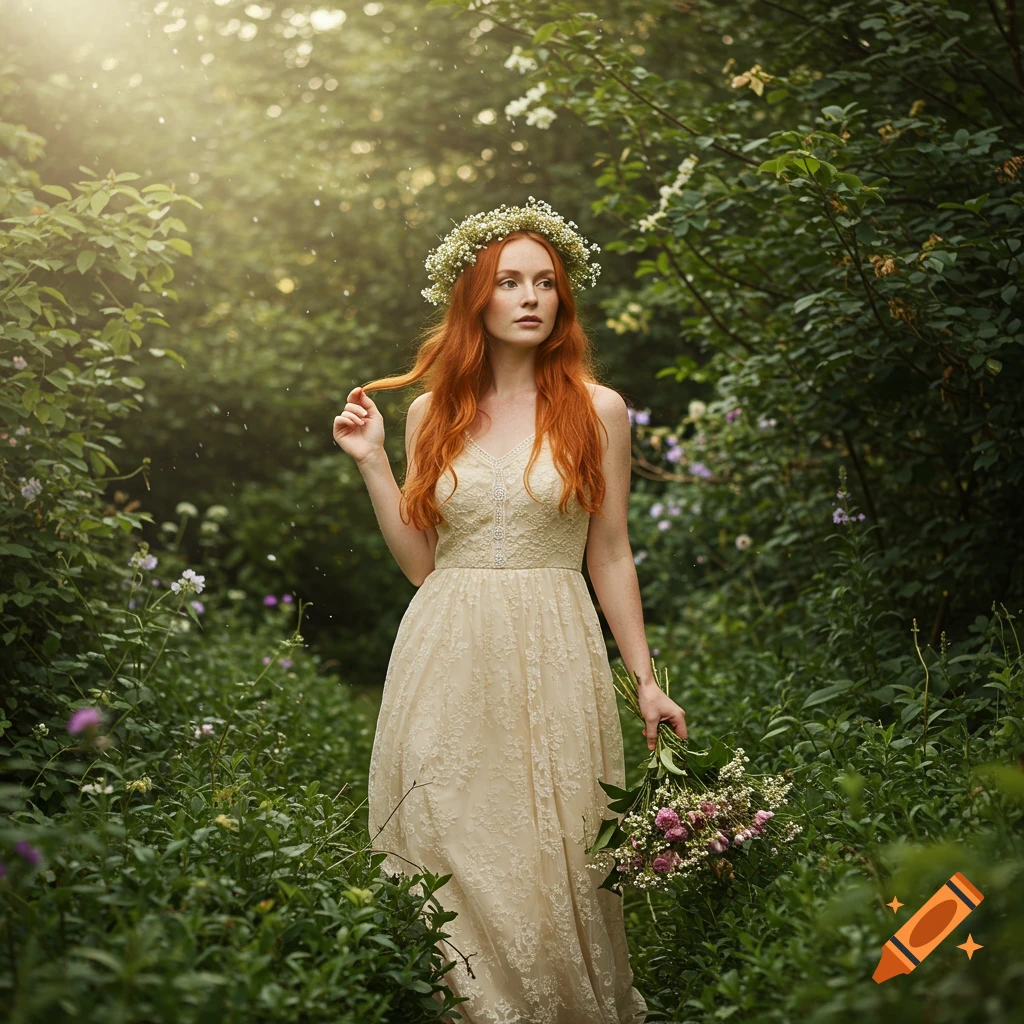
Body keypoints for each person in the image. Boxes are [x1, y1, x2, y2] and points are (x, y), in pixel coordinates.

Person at [333, 198, 687, 1023]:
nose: (531, 298)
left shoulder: (597, 408)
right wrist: (373, 463)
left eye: (546, 283)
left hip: (553, 647)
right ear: (476, 301)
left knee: (547, 851)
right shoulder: (432, 413)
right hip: (444, 647)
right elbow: (424, 565)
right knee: (444, 835)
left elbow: (608, 552)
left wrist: (644, 679)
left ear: (563, 299)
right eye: (509, 283)